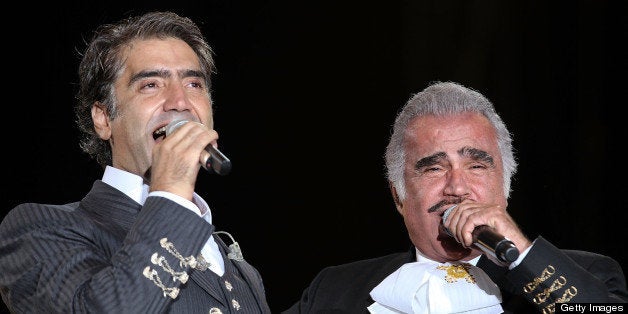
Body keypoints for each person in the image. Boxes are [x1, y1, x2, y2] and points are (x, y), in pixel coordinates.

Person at [0, 11, 271, 313]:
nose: (180, 101)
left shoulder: (240, 269)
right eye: (151, 85)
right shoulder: (42, 228)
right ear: (103, 119)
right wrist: (171, 192)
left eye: (194, 84)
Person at [284, 81, 628, 313]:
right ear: (398, 197)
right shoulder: (334, 291)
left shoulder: (588, 274)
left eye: (476, 166)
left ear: (504, 188)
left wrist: (522, 255)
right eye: (433, 169)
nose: (457, 187)